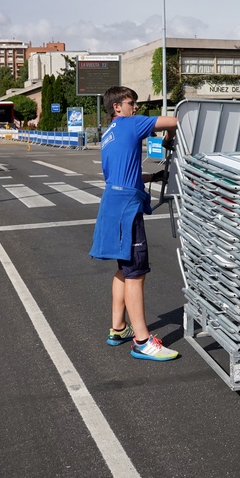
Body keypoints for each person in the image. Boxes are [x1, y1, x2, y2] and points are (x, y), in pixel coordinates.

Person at [90, 86, 179, 361]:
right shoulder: (131, 123)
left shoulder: (109, 134)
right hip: (127, 207)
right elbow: (175, 121)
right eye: (132, 103)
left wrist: (152, 177)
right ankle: (142, 340)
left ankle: (118, 328)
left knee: (123, 266)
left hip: (112, 202)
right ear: (117, 107)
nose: (136, 107)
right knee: (136, 273)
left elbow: (121, 172)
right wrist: (169, 138)